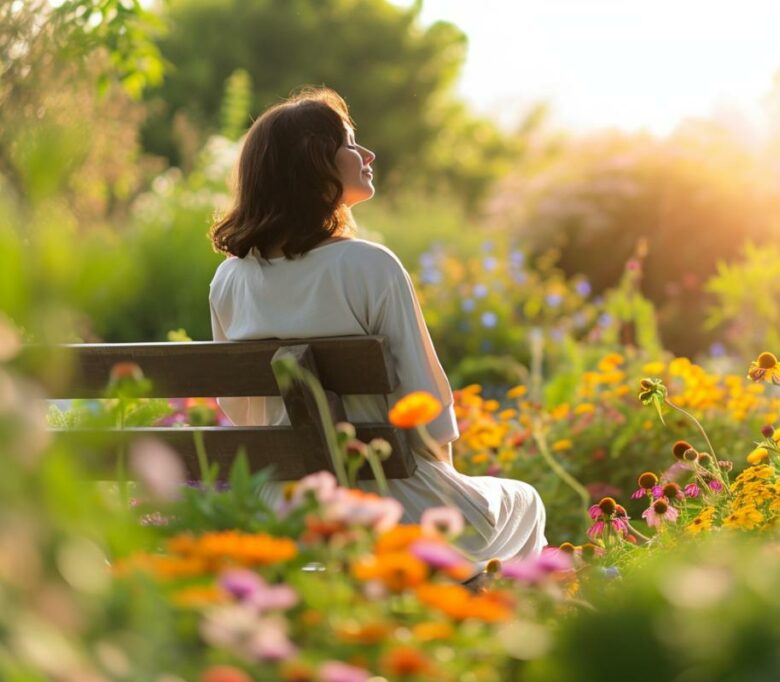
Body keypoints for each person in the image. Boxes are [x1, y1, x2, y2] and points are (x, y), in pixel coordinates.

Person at [207, 87, 547, 563]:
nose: (367, 154)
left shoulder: (229, 280)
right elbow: (425, 406)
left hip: (281, 517)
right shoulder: (370, 267)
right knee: (526, 500)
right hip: (394, 518)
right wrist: (448, 494)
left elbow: (241, 412)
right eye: (349, 143)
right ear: (313, 161)